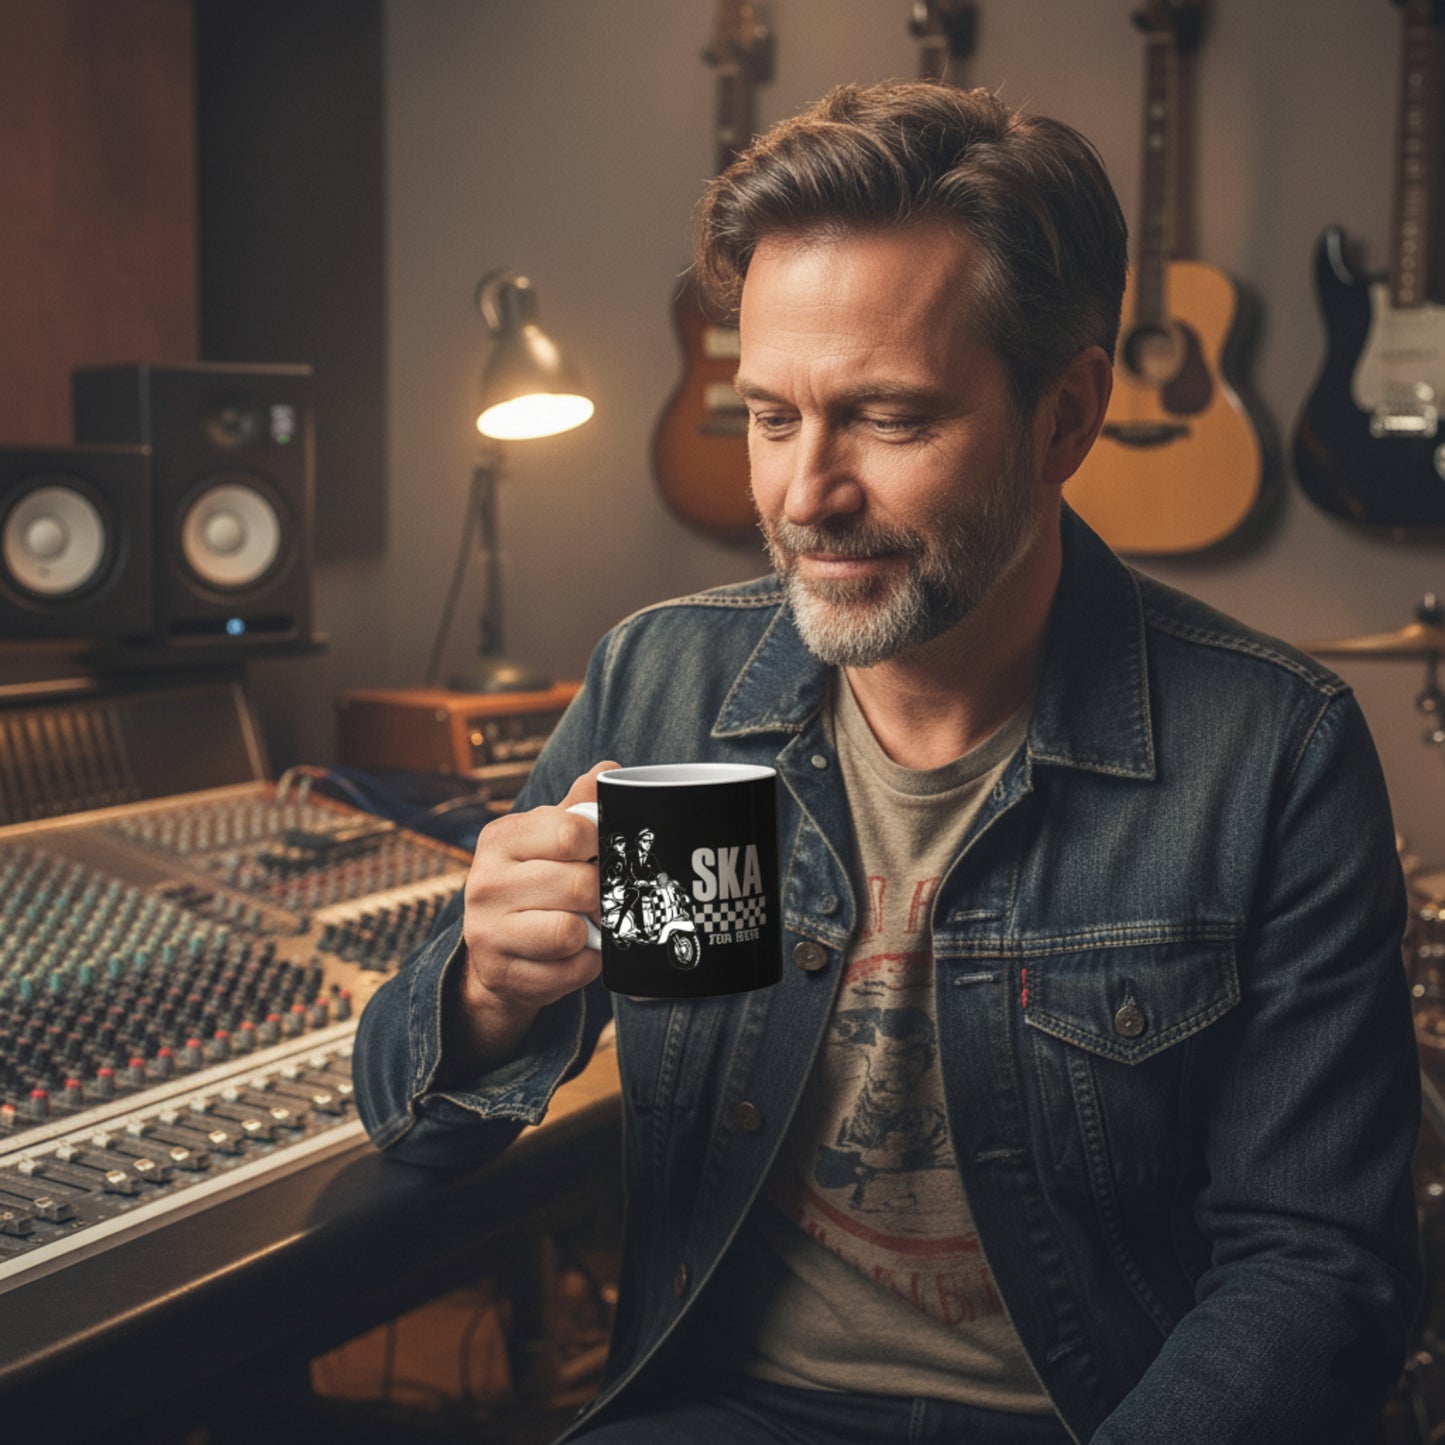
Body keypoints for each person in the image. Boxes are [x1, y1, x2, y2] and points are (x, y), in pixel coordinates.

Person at [354, 80, 1421, 1444]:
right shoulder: (661, 683)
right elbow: (414, 1122)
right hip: (721, 1409)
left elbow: (1317, 1270)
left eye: (889, 419)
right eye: (771, 416)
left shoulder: (1273, 748)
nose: (805, 496)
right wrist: (488, 994)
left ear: (1064, 417)